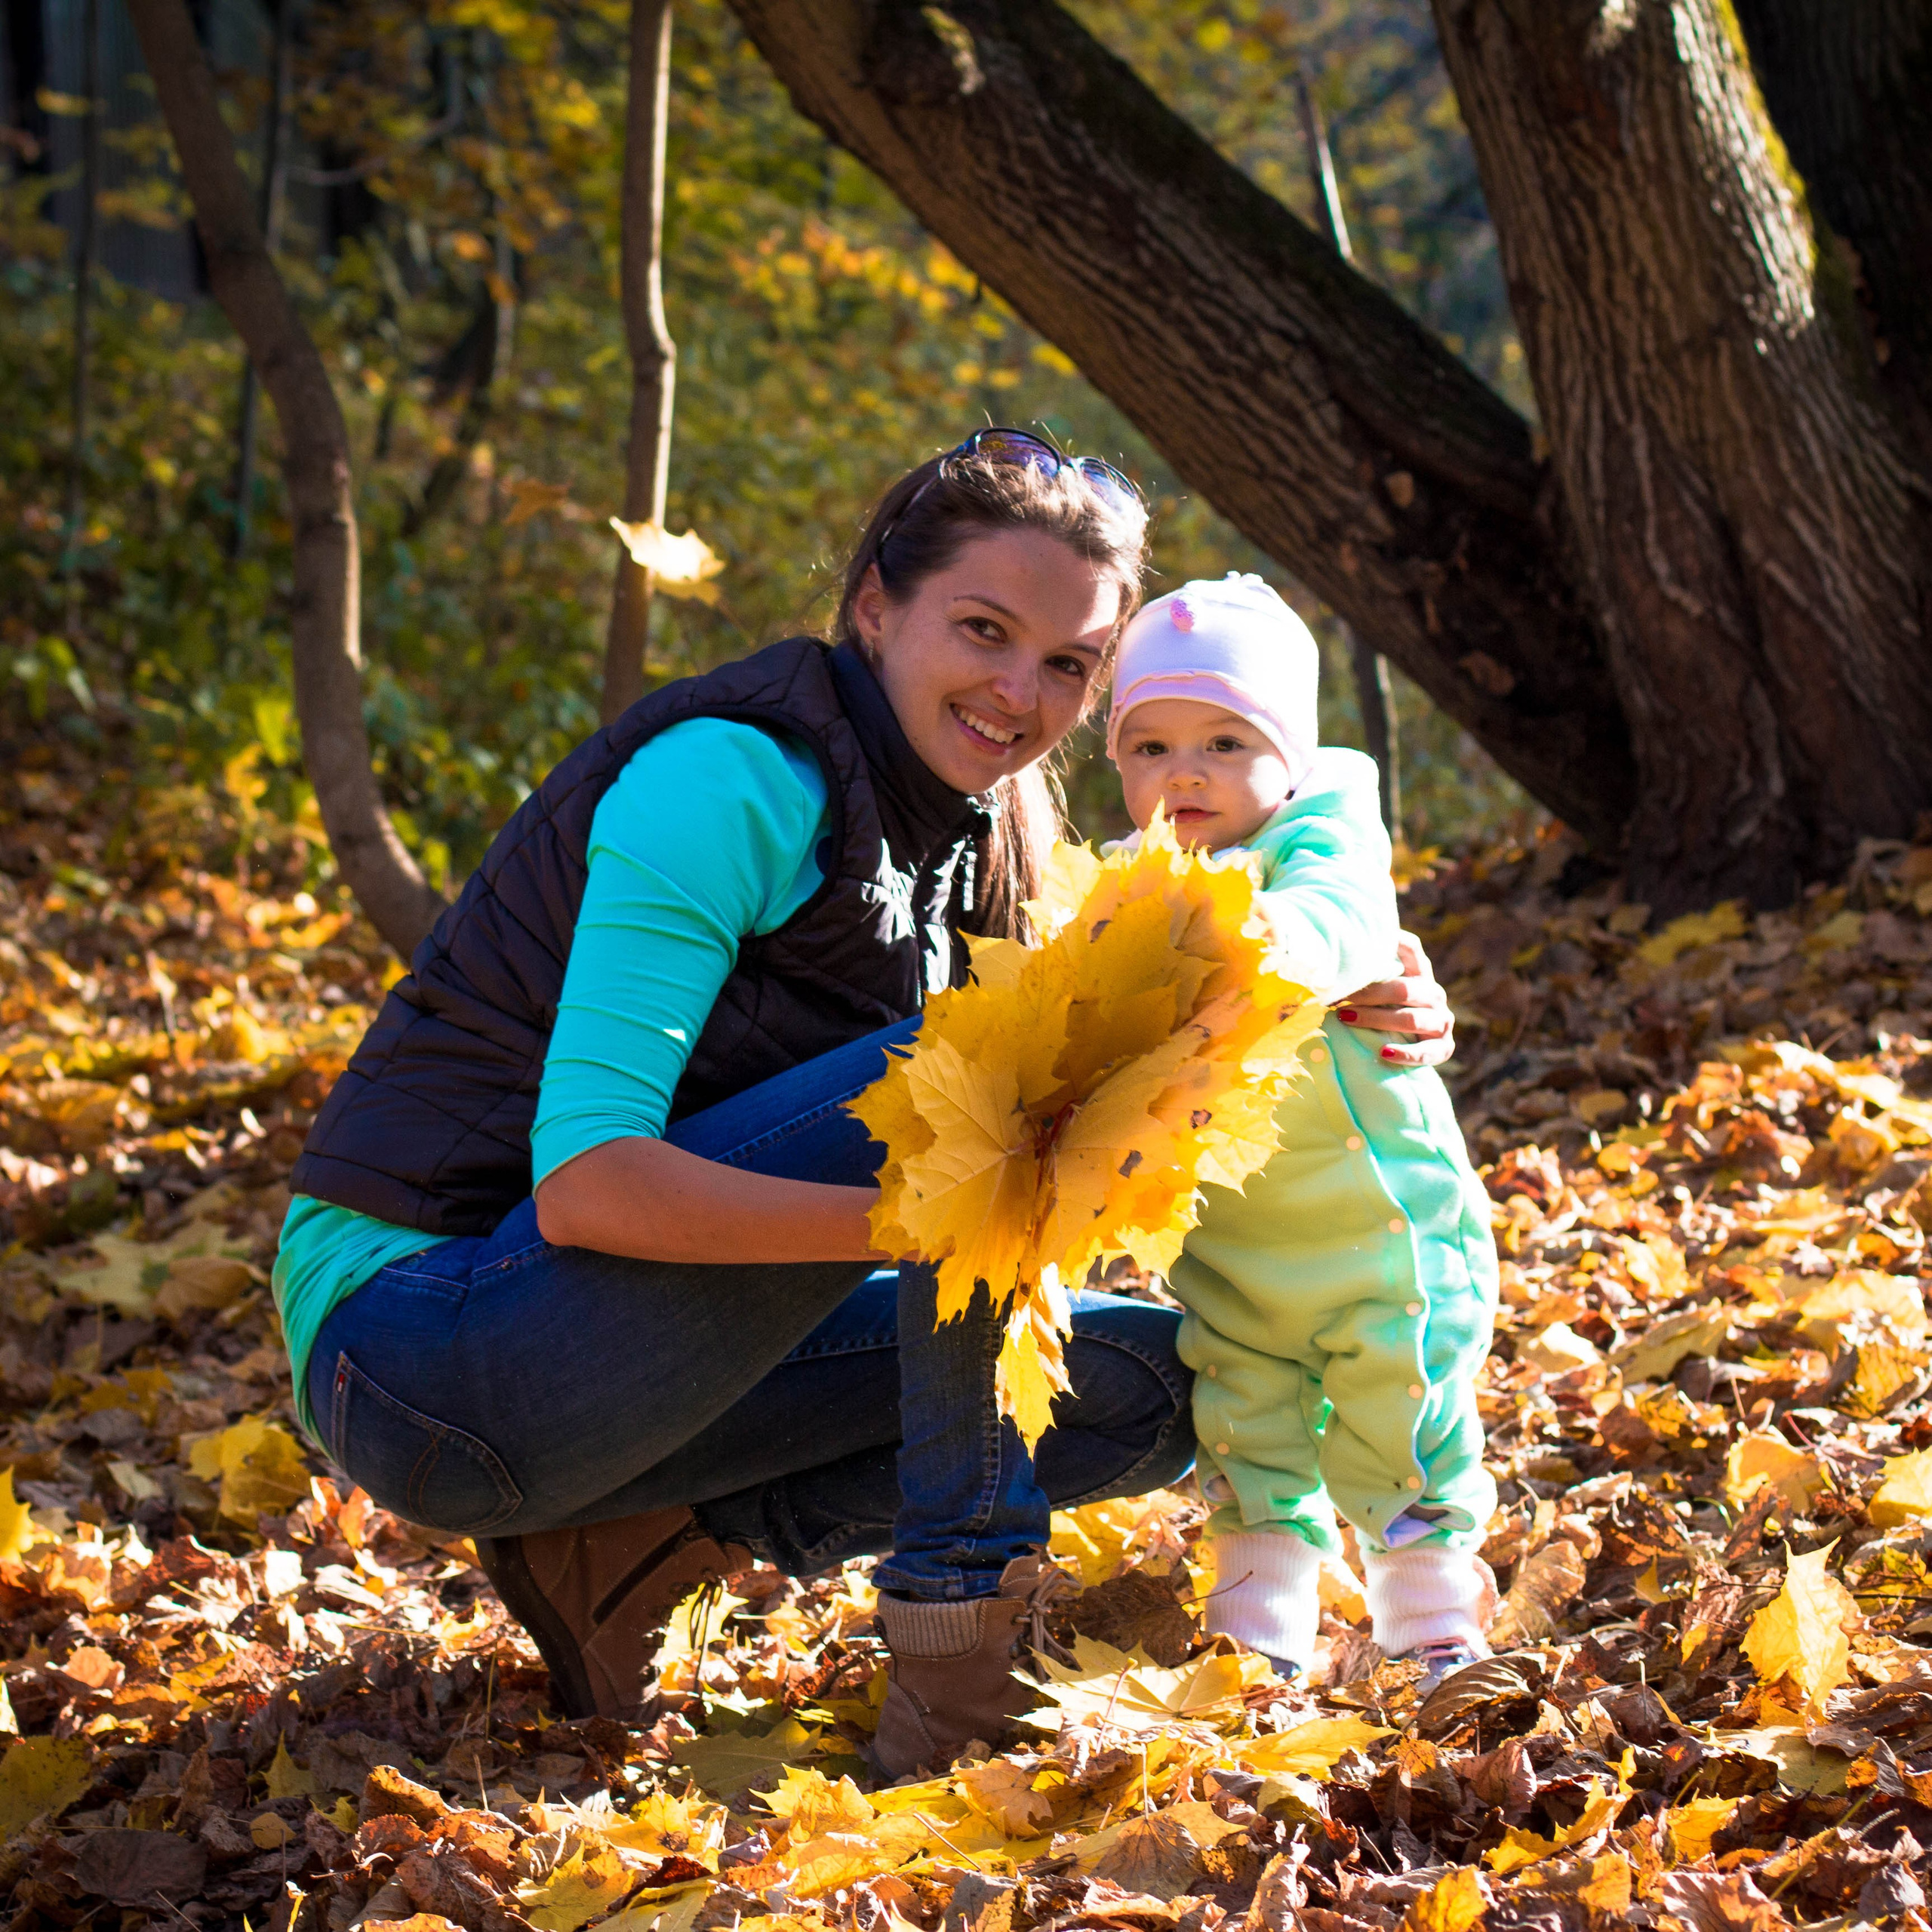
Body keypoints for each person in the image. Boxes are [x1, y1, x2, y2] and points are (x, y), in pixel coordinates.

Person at [271, 429, 1459, 1757]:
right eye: (984, 629)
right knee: (988, 1086)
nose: (1020, 691)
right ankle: (958, 1651)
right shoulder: (729, 781)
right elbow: (588, 1187)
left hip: (626, 1373)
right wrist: (938, 1215)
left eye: (1068, 665)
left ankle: (633, 1553)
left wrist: (1359, 986)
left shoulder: (990, 833)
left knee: (1151, 1384)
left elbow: (1148, 1023)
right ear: (875, 607)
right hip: (422, 1348)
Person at [1103, 571, 1498, 1692]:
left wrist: (1236, 947)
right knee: (1245, 1425)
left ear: (1288, 752)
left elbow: (1339, 921)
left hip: (1382, 1236)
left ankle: (1434, 1636)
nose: (1186, 772)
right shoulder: (1136, 883)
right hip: (1234, 1252)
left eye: (1227, 742)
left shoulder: (1320, 838)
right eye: (1151, 746)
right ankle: (1257, 1646)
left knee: (1401, 1421)